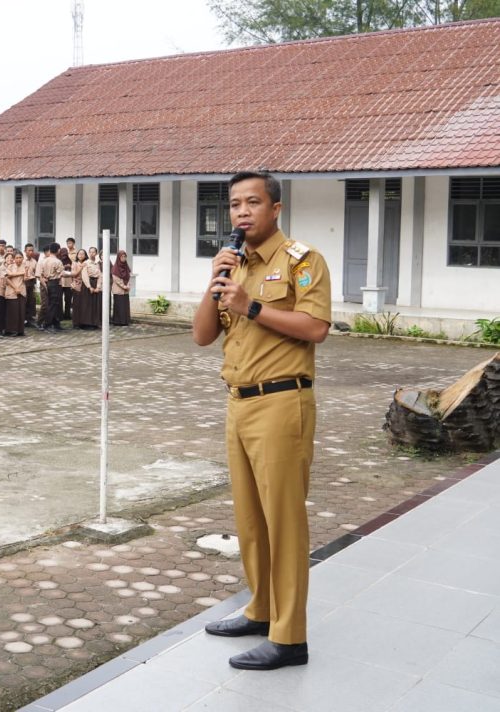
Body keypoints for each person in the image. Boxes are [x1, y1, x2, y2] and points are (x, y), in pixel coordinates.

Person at [192, 171, 331, 671]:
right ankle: (261, 608)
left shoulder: (302, 260)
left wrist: (250, 304)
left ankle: (290, 637)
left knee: (284, 521)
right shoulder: (234, 265)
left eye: (253, 202)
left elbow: (315, 327)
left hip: (281, 402)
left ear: (276, 208)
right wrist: (217, 283)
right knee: (250, 520)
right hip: (239, 402)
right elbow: (203, 336)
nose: (242, 212)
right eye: (234, 205)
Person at [39, 243, 65, 332]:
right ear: (58, 250)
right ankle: (47, 324)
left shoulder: (44, 260)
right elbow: (61, 273)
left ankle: (55, 323)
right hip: (55, 283)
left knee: (52, 303)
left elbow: (40, 273)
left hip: (48, 282)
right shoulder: (58, 261)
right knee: (54, 304)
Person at [3, 252, 27, 337]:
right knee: (12, 312)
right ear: (14, 259)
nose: (18, 259)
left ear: (23, 258)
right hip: (12, 291)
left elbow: (26, 278)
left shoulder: (25, 267)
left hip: (22, 291)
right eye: (16, 258)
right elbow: (7, 278)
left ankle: (20, 330)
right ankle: (12, 330)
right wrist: (15, 288)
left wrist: (26, 275)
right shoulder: (10, 267)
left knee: (21, 311)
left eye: (20, 257)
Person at [111, 250, 132, 326]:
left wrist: (128, 286)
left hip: (125, 290)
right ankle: (118, 321)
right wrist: (124, 286)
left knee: (125, 306)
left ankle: (125, 321)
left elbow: (129, 277)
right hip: (118, 290)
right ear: (118, 257)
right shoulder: (115, 267)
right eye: (122, 256)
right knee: (119, 306)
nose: (123, 258)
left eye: (124, 256)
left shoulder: (126, 266)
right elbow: (116, 279)